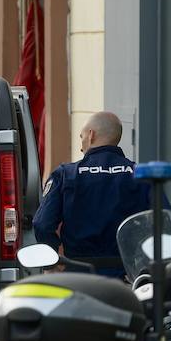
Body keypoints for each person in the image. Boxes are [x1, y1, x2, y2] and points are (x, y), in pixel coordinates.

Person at [33, 111, 154, 278]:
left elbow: (42, 224)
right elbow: (164, 221)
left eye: (81, 137)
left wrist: (52, 260)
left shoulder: (65, 175)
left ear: (91, 135)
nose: (81, 146)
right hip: (128, 275)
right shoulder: (142, 175)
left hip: (79, 275)